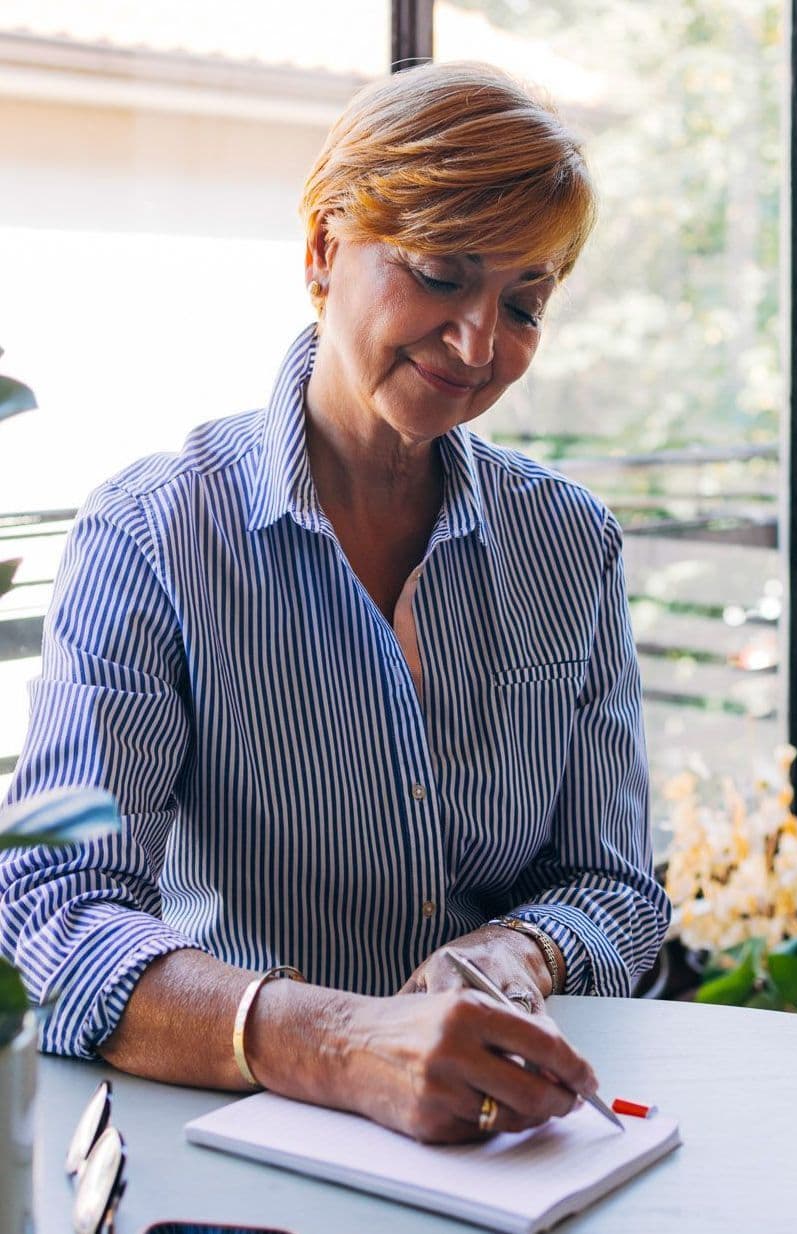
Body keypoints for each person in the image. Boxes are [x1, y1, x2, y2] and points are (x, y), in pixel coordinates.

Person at [0, 61, 669, 1144]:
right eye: (441, 274)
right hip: (230, 1134)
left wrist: (517, 951)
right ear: (322, 249)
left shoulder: (568, 545)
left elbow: (612, 883)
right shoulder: (156, 534)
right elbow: (52, 914)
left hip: (500, 1146)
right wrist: (344, 1043)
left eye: (524, 303)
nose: (478, 344)